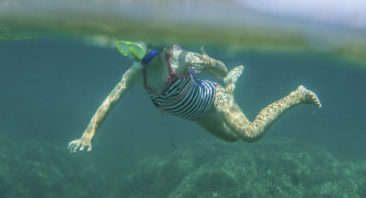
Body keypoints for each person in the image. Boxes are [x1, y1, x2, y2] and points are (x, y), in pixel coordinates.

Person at [68, 42, 322, 152]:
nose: (132, 53)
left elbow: (220, 72)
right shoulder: (136, 73)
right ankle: (233, 86)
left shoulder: (179, 58)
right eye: (129, 48)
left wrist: (210, 63)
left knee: (250, 134)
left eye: (137, 47)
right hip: (199, 116)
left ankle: (295, 96)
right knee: (232, 139)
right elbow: (109, 101)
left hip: (213, 98)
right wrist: (87, 136)